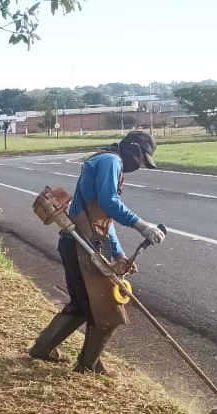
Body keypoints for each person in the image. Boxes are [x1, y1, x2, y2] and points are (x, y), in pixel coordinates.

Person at [29, 131, 166, 374]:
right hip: (80, 245)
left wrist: (119, 254)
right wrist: (142, 225)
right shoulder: (111, 161)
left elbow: (101, 220)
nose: (140, 166)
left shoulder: (106, 160)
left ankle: (46, 348)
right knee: (107, 309)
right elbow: (108, 202)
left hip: (81, 242)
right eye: (142, 160)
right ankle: (88, 365)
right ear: (133, 151)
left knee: (84, 305)